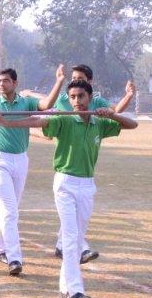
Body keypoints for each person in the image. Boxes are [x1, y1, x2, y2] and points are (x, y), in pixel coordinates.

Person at [0, 79, 137, 298]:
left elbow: (131, 125)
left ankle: (65, 288)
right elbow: (37, 120)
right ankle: (76, 291)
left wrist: (112, 115)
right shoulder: (64, 119)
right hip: (65, 184)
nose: (77, 101)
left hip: (87, 185)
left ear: (90, 97)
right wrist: (7, 123)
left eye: (81, 96)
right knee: (70, 237)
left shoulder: (99, 123)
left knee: (77, 239)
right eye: (73, 97)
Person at [0, 66, 65, 275]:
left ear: (15, 83)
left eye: (6, 81)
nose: (2, 84)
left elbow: (47, 105)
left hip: (21, 160)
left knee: (9, 210)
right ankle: (14, 258)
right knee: (10, 210)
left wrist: (59, 81)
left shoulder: (26, 102)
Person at [47, 65, 136, 261]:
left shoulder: (96, 102)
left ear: (90, 84)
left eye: (80, 78)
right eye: (73, 78)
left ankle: (64, 246)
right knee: (72, 225)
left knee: (75, 222)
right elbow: (46, 109)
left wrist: (127, 97)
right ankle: (78, 250)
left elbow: (117, 113)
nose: (76, 100)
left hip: (87, 154)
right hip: (66, 147)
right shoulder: (65, 98)